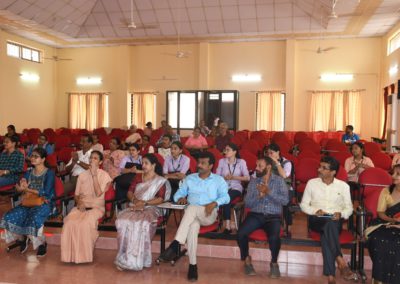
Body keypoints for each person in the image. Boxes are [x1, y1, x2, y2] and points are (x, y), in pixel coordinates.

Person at [158, 151, 230, 281]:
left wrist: (214, 203)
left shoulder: (218, 180)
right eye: (199, 162)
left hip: (208, 215)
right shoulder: (190, 178)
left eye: (203, 163)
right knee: (192, 227)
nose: (199, 165)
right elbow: (177, 194)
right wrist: (180, 198)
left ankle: (175, 245)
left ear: (210, 166)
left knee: (191, 209)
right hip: (191, 217)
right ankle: (193, 266)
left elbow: (226, 197)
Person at [300, 156, 357, 284]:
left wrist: (340, 214)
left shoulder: (343, 186)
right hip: (317, 219)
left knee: (328, 232)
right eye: (319, 166)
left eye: (323, 168)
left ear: (333, 172)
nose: (319, 169)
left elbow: (349, 209)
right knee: (329, 227)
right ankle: (340, 261)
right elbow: (303, 205)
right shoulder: (312, 183)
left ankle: (331, 276)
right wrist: (315, 211)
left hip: (334, 220)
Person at [114, 154, 171, 271]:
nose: (143, 165)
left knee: (141, 222)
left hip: (151, 208)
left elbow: (160, 198)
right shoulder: (138, 177)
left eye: (146, 163)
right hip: (134, 206)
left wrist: (144, 203)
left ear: (153, 165)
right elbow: (130, 192)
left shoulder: (160, 181)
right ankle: (124, 257)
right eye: (142, 163)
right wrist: (135, 200)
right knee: (121, 220)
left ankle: (139, 259)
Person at [236, 156, 288, 279]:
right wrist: (258, 196)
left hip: (273, 216)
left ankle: (274, 262)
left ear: (269, 167)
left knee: (274, 237)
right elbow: (248, 203)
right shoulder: (254, 182)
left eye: (260, 166)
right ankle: (247, 259)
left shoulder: (279, 181)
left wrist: (268, 192)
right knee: (241, 233)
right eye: (256, 165)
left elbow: (285, 201)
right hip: (256, 215)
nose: (256, 168)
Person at [0, 148, 55, 257]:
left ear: (43, 159)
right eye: (32, 156)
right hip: (28, 202)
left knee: (34, 218)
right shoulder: (29, 172)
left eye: (36, 156)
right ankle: (22, 238)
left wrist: (27, 190)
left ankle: (41, 244)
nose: (32, 158)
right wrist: (21, 186)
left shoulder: (49, 173)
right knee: (9, 216)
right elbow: (21, 185)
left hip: (44, 202)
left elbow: (46, 192)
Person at [61, 150, 112, 264]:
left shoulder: (105, 175)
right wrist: (79, 202)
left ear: (100, 162)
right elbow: (76, 195)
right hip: (81, 206)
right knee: (69, 222)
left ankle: (83, 257)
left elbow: (99, 193)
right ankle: (69, 256)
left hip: (96, 208)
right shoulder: (82, 175)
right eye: (91, 158)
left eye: (95, 158)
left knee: (84, 224)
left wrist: (94, 175)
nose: (92, 160)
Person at [366, 164, 400, 284]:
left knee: (397, 242)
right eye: (393, 173)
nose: (393, 176)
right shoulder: (386, 191)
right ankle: (379, 280)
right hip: (384, 223)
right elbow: (380, 213)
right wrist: (393, 221)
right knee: (379, 239)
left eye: (398, 174)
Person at [216, 143, 250, 233]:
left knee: (226, 198)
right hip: (223, 187)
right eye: (225, 150)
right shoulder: (221, 161)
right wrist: (224, 178)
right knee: (224, 196)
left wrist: (235, 177)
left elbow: (247, 177)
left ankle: (227, 225)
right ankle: (219, 223)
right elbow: (216, 177)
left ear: (234, 152)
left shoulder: (241, 162)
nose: (225, 152)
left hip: (236, 187)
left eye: (228, 150)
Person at [265, 143, 294, 236]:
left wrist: (277, 163)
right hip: (271, 188)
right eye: (267, 153)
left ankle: (288, 228)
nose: (269, 155)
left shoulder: (287, 163)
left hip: (285, 188)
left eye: (271, 153)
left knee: (285, 202)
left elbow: (284, 175)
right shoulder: (266, 162)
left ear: (278, 152)